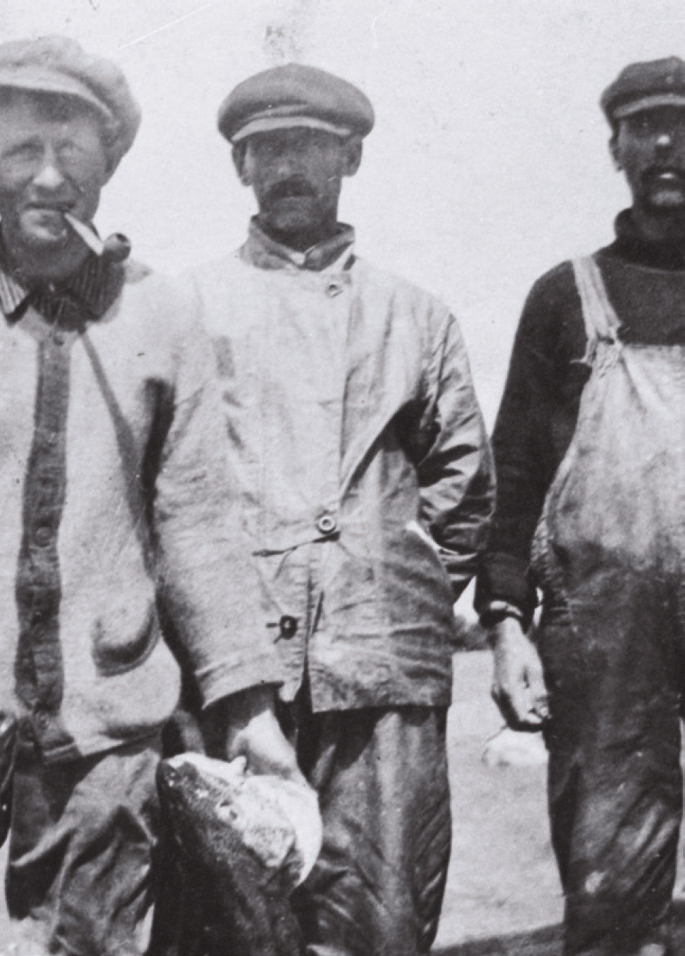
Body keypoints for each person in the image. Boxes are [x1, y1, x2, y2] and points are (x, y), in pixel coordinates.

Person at [0, 35, 298, 956]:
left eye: (74, 154)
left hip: (109, 726)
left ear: (108, 163)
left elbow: (198, 522)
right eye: (22, 152)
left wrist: (247, 708)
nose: (49, 178)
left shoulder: (162, 313)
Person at [184, 64, 494, 955]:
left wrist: (390, 573)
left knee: (381, 921)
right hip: (237, 674)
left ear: (350, 157)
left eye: (310, 147)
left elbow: (463, 482)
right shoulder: (187, 307)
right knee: (228, 923)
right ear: (240, 165)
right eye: (267, 148)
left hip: (384, 669)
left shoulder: (415, 316)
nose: (289, 167)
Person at [481, 56, 685, 956]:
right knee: (608, 895)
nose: (668, 145)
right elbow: (514, 474)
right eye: (646, 127)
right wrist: (504, 622)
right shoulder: (567, 297)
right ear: (615, 147)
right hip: (605, 635)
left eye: (683, 122)